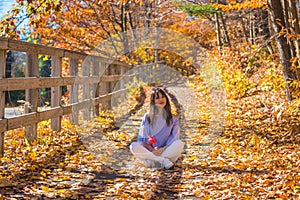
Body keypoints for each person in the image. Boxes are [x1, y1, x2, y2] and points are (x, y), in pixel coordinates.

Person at [130, 87, 184, 169]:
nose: (161, 100)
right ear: (153, 101)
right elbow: (142, 138)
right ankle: (161, 161)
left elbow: (174, 137)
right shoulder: (147, 117)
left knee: (179, 143)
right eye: (157, 98)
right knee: (133, 146)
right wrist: (152, 150)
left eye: (163, 97)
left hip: (166, 151)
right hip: (150, 151)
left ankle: (153, 161)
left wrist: (161, 150)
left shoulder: (173, 119)